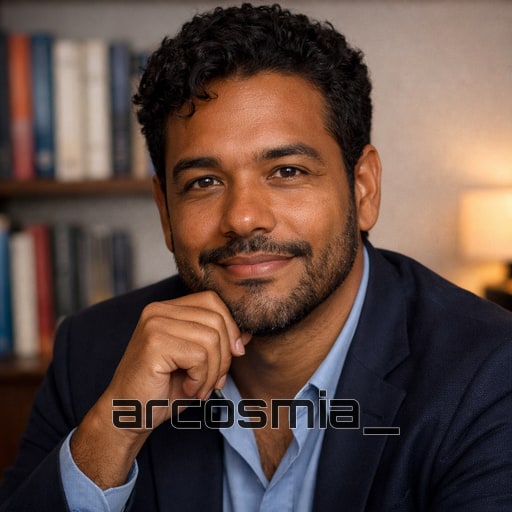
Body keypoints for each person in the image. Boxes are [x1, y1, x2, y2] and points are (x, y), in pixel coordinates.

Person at [1, 3, 511, 511]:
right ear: (165, 211)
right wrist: (111, 434)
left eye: (287, 171)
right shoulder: (93, 355)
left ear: (363, 188)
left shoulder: (488, 372)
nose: (243, 218)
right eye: (204, 181)